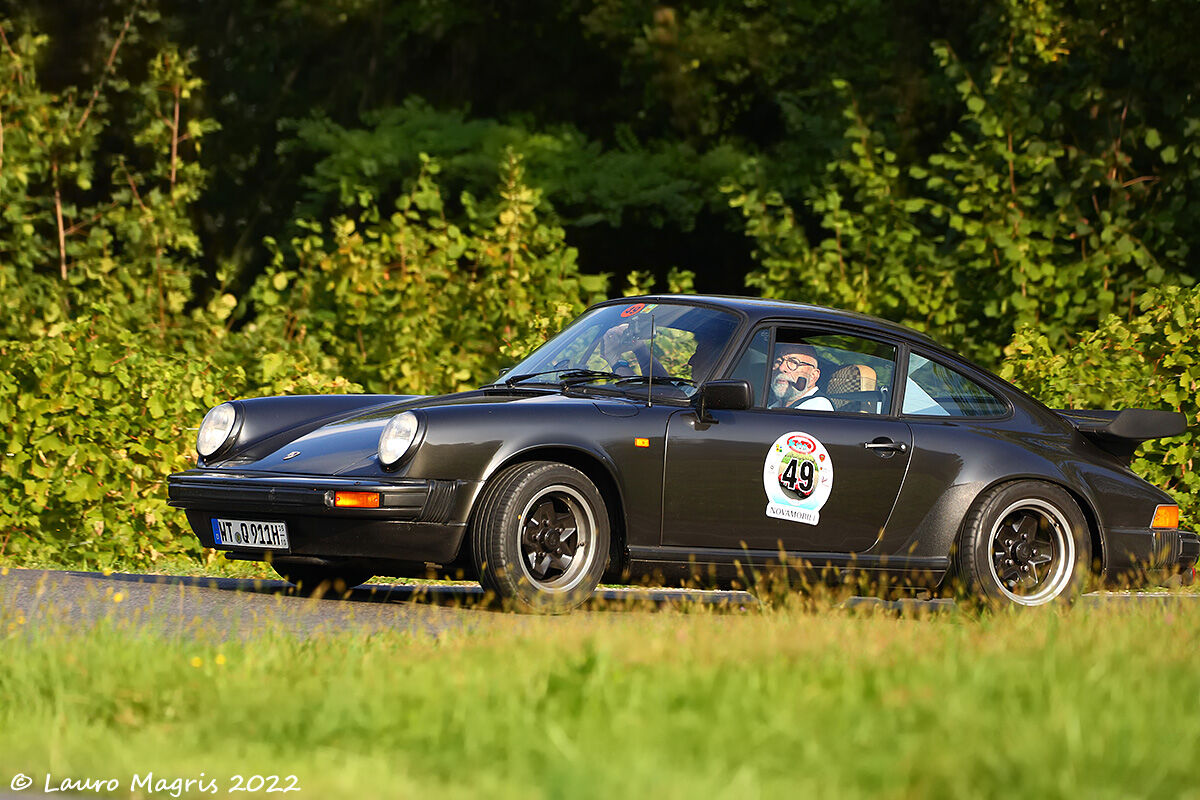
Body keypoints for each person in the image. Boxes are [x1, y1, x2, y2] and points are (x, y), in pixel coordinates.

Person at [769, 343, 833, 411]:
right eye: (778, 361)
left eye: (794, 362)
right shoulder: (775, 405)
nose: (781, 368)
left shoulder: (818, 407)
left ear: (813, 376)